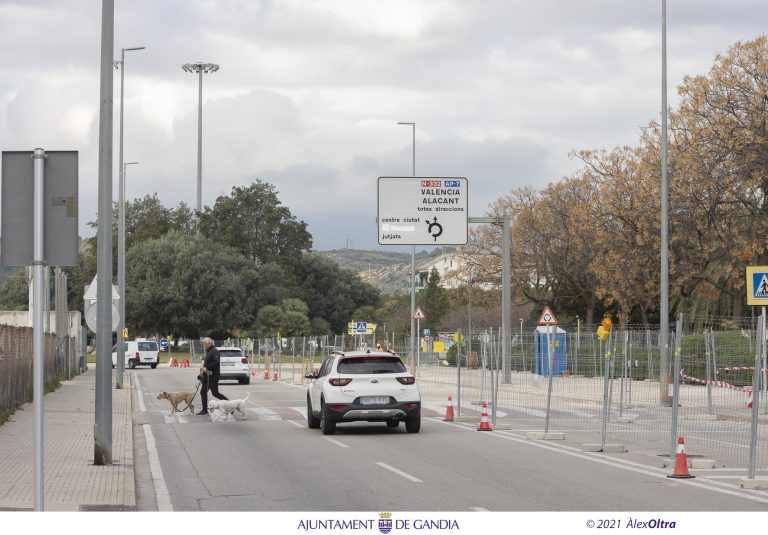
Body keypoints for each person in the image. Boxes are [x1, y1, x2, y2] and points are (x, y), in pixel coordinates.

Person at [196, 337, 229, 415]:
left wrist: (206, 368)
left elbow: (216, 363)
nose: (203, 346)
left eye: (204, 344)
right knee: (203, 392)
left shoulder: (214, 351)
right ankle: (204, 410)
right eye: (203, 344)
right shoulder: (209, 351)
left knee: (215, 393)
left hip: (213, 377)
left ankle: (229, 404)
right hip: (207, 377)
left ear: (209, 343)